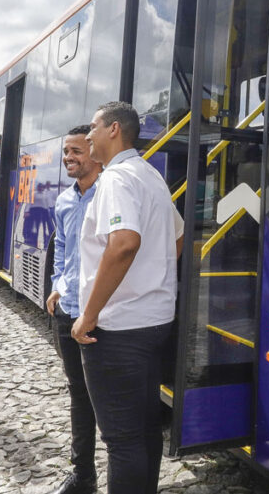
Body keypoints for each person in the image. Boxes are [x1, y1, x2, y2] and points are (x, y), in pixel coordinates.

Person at [72, 101, 184, 494]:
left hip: (119, 329)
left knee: (122, 440)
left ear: (115, 130)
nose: (87, 136)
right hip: (154, 321)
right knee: (145, 431)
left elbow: (123, 244)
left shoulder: (116, 179)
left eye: (94, 128)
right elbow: (178, 236)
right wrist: (150, 277)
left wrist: (89, 314)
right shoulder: (150, 174)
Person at [46, 125, 102, 494]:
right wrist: (56, 286)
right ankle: (84, 475)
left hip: (101, 317)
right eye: (66, 151)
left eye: (77, 151)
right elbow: (62, 251)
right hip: (68, 312)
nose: (69, 158)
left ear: (96, 153)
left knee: (109, 401)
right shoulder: (65, 200)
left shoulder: (112, 194)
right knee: (79, 394)